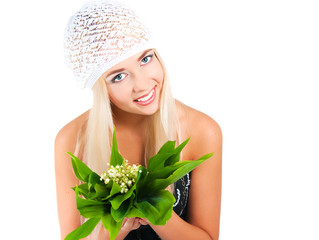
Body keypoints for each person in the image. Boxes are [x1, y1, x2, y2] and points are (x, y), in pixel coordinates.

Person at [55, 1, 222, 239]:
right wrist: (116, 229)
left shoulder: (202, 131)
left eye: (145, 59)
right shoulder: (72, 140)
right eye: (119, 76)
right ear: (100, 88)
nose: (143, 85)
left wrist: (158, 216)